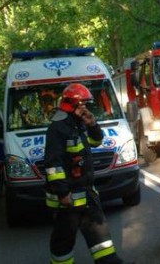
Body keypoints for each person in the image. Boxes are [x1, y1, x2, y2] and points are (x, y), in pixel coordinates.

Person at [44, 83, 125, 264]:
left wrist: (93, 124)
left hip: (87, 194)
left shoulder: (78, 125)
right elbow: (53, 165)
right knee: (63, 242)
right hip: (69, 199)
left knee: (101, 238)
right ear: (71, 105)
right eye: (82, 104)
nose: (85, 108)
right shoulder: (57, 129)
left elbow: (96, 142)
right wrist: (63, 193)